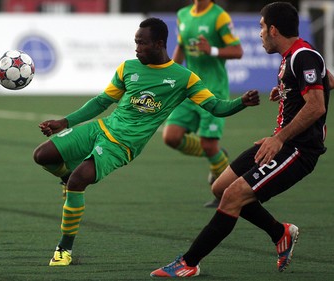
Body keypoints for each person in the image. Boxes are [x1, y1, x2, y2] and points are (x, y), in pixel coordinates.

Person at [33, 17, 260, 266]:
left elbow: (215, 106)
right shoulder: (127, 68)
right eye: (135, 43)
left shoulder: (184, 78)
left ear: (159, 44)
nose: (137, 48)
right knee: (42, 156)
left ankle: (64, 249)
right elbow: (101, 102)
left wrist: (242, 102)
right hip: (102, 127)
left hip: (123, 145)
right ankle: (66, 177)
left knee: (79, 181)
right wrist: (65, 122)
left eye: (142, 43)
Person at [151, 2, 332, 277]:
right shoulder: (295, 57)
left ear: (273, 29)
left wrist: (279, 138)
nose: (259, 33)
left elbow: (317, 106)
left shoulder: (303, 56)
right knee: (221, 188)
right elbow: (327, 80)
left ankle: (188, 262)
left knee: (233, 196)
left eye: (261, 27)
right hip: (282, 142)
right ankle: (280, 233)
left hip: (298, 149)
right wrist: (288, 90)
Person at [163, 0, 243, 208]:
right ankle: (217, 155)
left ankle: (230, 192)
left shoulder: (219, 16)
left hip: (212, 91)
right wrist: (170, 74)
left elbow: (237, 51)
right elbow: (181, 48)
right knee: (171, 137)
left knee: (208, 144)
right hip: (189, 87)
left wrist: (212, 50)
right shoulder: (183, 14)